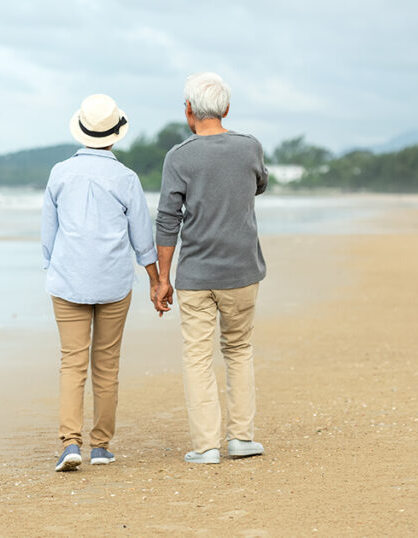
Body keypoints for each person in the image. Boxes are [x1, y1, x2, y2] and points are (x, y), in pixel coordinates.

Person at [152, 72, 269, 464]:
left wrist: (162, 279)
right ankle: (241, 438)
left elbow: (168, 220)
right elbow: (260, 185)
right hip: (242, 271)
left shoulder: (179, 157)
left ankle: (205, 446)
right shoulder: (250, 147)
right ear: (226, 108)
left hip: (196, 276)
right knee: (238, 350)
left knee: (197, 357)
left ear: (188, 110)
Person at [42, 94, 159, 472]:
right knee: (106, 364)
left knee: (72, 362)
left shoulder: (60, 172)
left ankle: (69, 443)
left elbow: (49, 234)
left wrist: (54, 268)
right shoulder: (126, 178)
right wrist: (157, 281)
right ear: (114, 134)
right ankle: (102, 446)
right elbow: (143, 238)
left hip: (68, 280)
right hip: (113, 281)